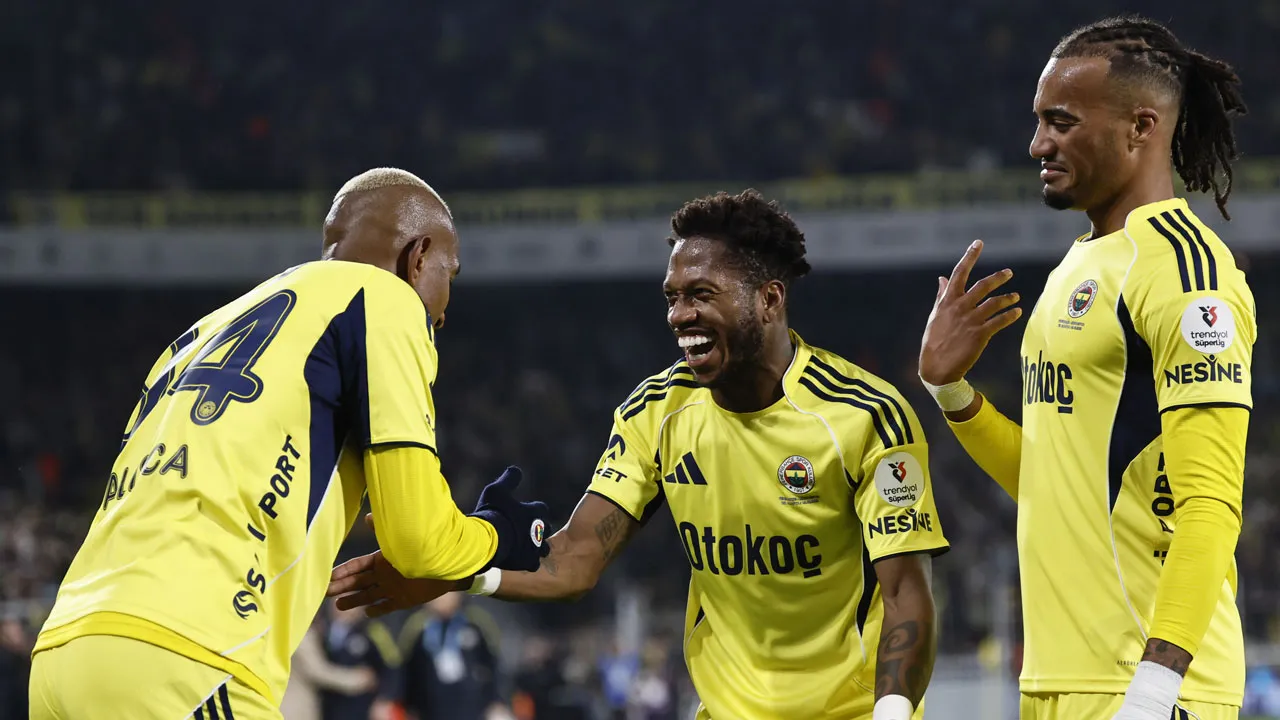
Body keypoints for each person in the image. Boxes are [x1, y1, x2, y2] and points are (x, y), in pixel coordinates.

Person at [329, 189, 950, 720]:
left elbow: (906, 596)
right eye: (672, 297)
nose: (680, 315)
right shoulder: (656, 412)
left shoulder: (864, 415)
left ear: (769, 299)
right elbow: (575, 559)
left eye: (701, 294)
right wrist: (458, 571)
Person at [28, 168, 552, 720]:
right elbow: (418, 541)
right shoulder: (385, 301)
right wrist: (499, 536)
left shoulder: (203, 332)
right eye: (451, 273)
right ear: (418, 257)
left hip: (65, 648)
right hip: (188, 654)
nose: (443, 312)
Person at [916, 15, 1252, 720]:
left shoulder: (1185, 274)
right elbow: (1054, 483)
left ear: (1140, 127)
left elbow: (1211, 506)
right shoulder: (1080, 263)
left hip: (1146, 686)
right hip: (1058, 680)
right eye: (1039, 121)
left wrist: (1155, 690)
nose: (1037, 144)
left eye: (1061, 122)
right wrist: (952, 394)